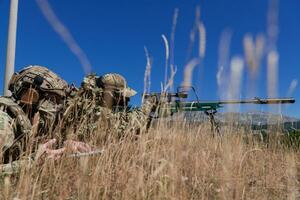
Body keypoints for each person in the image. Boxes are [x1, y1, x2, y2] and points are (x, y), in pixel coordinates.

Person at [62, 73, 155, 145]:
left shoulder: (91, 106)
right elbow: (132, 121)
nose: (128, 99)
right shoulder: (97, 112)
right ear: (111, 95)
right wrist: (149, 105)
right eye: (122, 96)